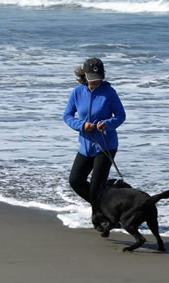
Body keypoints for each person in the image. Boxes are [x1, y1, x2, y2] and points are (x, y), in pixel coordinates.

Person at [63, 57, 126, 205]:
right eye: (92, 79)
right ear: (84, 75)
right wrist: (82, 125)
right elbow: (67, 116)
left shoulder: (109, 92)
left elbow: (120, 116)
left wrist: (107, 124)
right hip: (85, 146)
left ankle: (103, 214)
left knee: (97, 186)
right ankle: (106, 207)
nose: (96, 82)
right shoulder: (77, 92)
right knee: (75, 181)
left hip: (106, 145)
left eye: (99, 79)